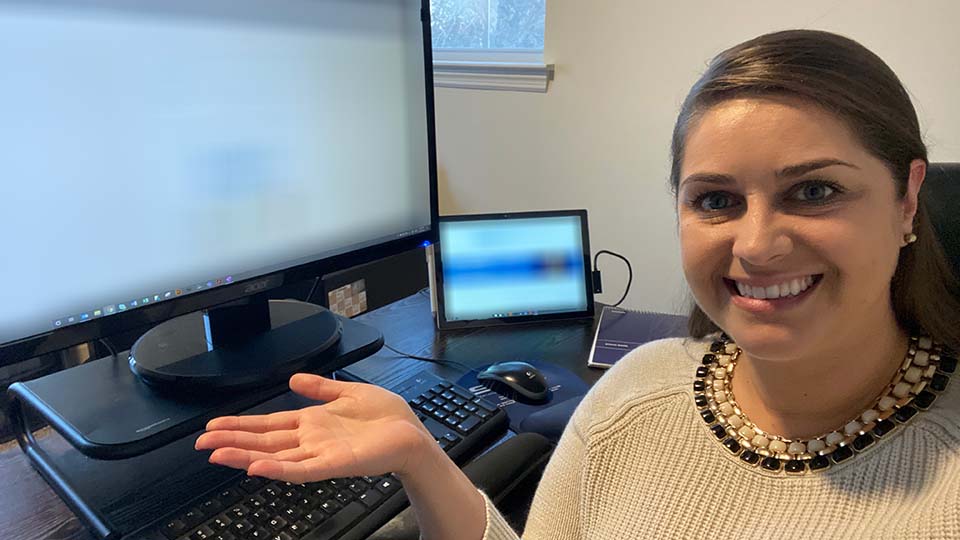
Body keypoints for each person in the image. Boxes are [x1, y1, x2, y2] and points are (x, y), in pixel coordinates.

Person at [194, 29, 960, 538]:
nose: (756, 245)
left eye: (815, 191)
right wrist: (418, 457)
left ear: (906, 199)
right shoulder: (639, 388)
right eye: (716, 200)